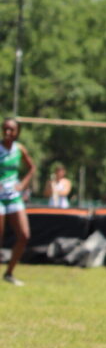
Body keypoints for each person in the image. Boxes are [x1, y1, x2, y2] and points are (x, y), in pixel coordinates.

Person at [0, 118, 36, 286]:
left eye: (11, 130)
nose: (8, 133)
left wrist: (22, 184)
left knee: (24, 235)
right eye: (5, 129)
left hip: (13, 197)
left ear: (17, 132)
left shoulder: (19, 149)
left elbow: (31, 167)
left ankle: (9, 273)